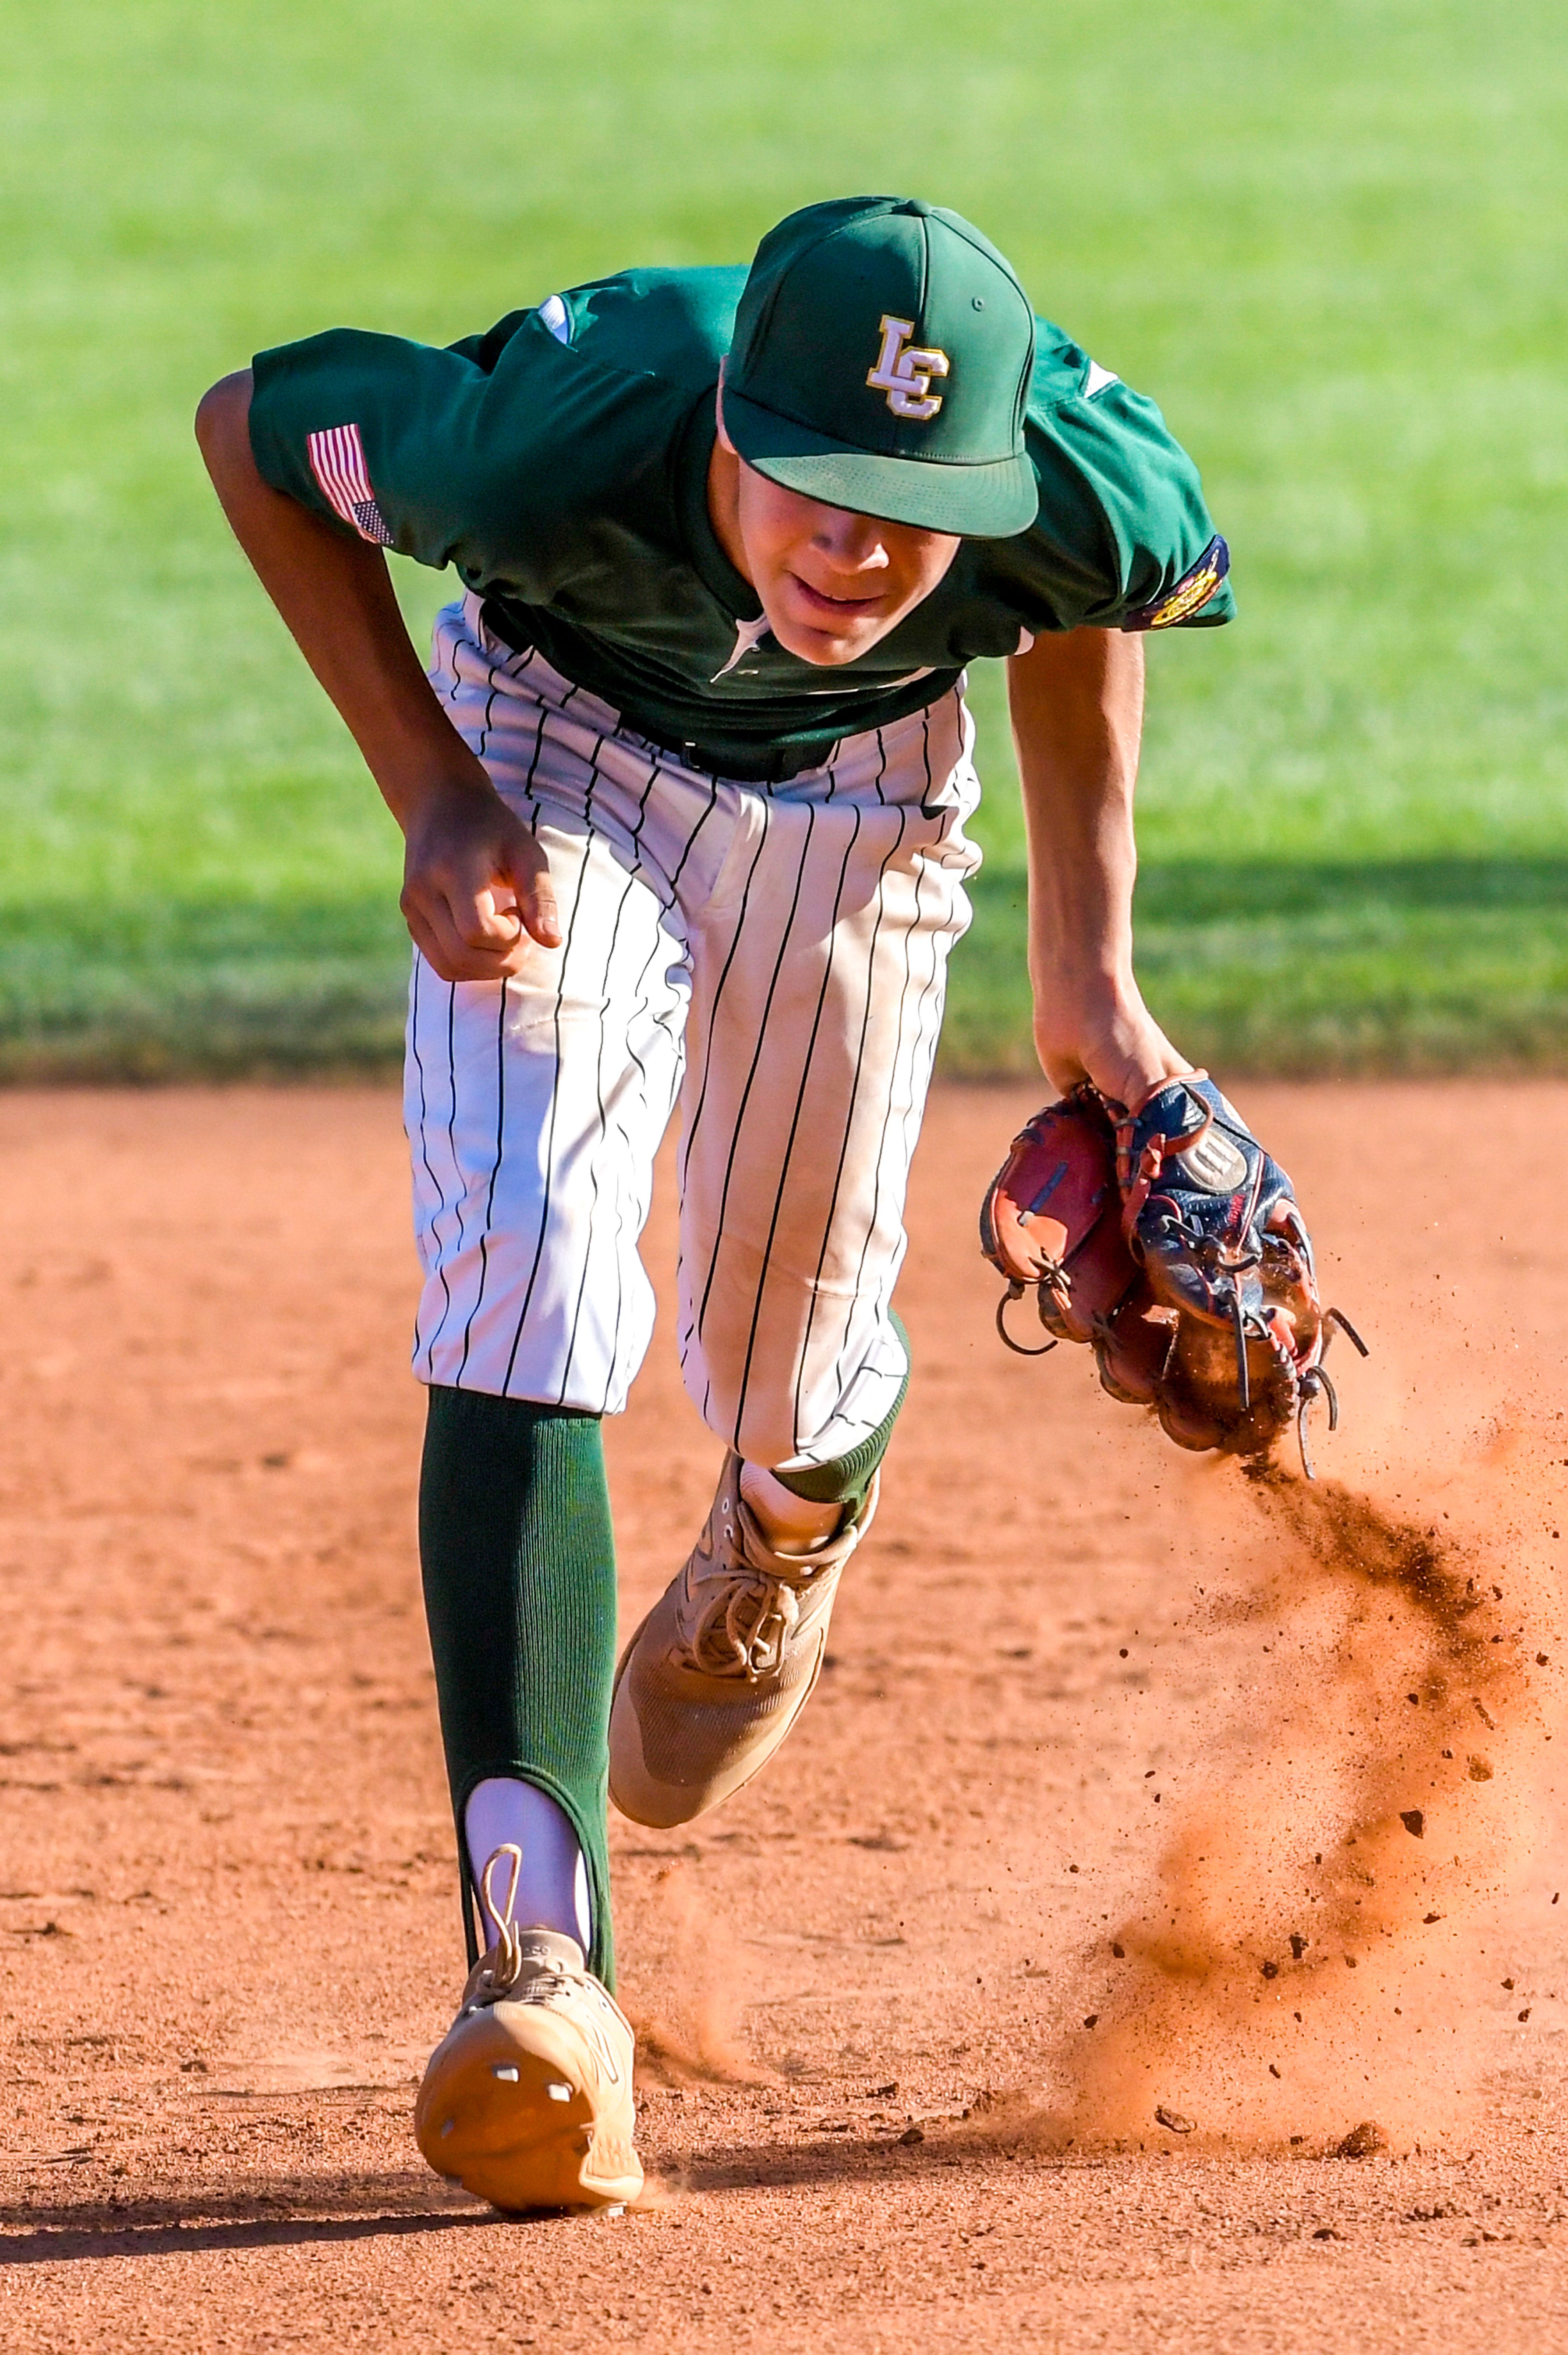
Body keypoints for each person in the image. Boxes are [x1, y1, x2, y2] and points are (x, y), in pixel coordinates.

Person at [196, 193, 1233, 2213]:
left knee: (790, 1354)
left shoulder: (1090, 490)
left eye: (916, 512)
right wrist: (426, 779)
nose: (857, 551)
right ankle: (541, 1970)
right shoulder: (553, 430)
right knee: (529, 1264)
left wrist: (1090, 975)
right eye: (818, 494)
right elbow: (252, 431)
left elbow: (1091, 599)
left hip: (859, 816)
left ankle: (788, 1515)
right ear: (730, 439)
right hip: (554, 755)